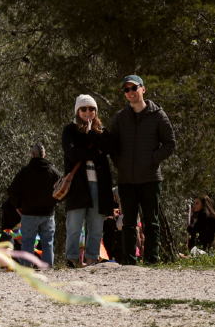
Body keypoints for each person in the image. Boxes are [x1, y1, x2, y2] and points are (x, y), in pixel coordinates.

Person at [107, 75, 176, 265]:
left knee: (150, 222)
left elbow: (170, 144)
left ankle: (152, 260)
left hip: (150, 178)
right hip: (126, 180)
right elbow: (113, 145)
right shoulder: (120, 118)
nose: (130, 92)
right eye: (126, 90)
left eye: (133, 88)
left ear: (143, 89)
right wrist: (120, 164)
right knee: (128, 222)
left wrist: (150, 160)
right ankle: (129, 262)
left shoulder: (158, 115)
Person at [63, 94, 115, 268]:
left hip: (100, 186)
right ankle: (72, 260)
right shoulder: (69, 130)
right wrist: (95, 154)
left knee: (96, 226)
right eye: (84, 108)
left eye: (91, 108)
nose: (88, 112)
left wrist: (92, 133)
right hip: (78, 186)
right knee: (74, 225)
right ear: (78, 110)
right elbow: (72, 153)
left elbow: (110, 147)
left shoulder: (101, 131)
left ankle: (92, 259)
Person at [8, 143, 61, 267]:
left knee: (27, 242)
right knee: (48, 243)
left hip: (29, 213)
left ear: (32, 154)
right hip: (48, 213)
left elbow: (12, 191)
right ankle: (48, 269)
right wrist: (54, 203)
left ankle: (27, 269)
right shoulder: (53, 172)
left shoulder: (25, 172)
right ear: (45, 155)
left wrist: (18, 206)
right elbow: (62, 191)